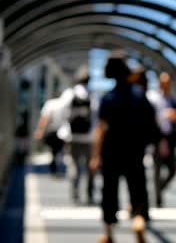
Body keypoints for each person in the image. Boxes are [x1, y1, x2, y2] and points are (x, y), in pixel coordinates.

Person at [89, 51, 163, 243]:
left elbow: (101, 129)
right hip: (135, 149)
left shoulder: (108, 97)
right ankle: (138, 219)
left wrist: (96, 155)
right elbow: (152, 123)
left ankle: (108, 232)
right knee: (138, 188)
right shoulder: (140, 94)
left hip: (111, 150)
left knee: (109, 191)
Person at [146, 72, 176, 207]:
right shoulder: (154, 99)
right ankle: (158, 199)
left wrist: (174, 115)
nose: (165, 85)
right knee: (157, 169)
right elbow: (150, 118)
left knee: (172, 169)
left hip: (170, 137)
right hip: (157, 137)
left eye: (167, 83)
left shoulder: (174, 99)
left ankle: (159, 188)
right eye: (163, 82)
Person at [61, 66, 96, 204]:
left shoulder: (70, 94)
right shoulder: (93, 95)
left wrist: (65, 134)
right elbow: (96, 117)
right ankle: (89, 193)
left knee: (74, 165)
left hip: (73, 137)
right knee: (90, 166)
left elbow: (63, 115)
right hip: (89, 138)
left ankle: (75, 192)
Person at [34, 94, 68, 175]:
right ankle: (58, 166)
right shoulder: (64, 103)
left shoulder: (50, 103)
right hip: (63, 131)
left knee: (54, 150)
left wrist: (40, 130)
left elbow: (45, 118)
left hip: (52, 131)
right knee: (59, 150)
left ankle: (54, 167)